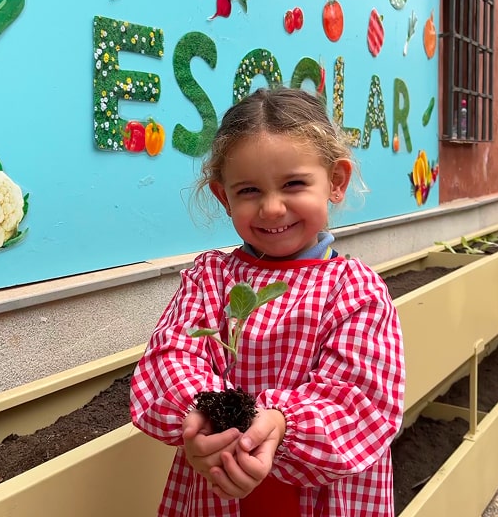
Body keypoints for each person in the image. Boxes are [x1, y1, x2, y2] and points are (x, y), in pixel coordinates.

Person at [130, 87, 405, 517]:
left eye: (294, 184)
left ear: (336, 181)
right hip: (219, 484)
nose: (272, 208)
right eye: (249, 190)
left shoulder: (356, 290)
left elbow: (360, 403)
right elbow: (171, 358)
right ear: (224, 197)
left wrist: (281, 425)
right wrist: (200, 415)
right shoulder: (210, 279)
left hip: (322, 496)